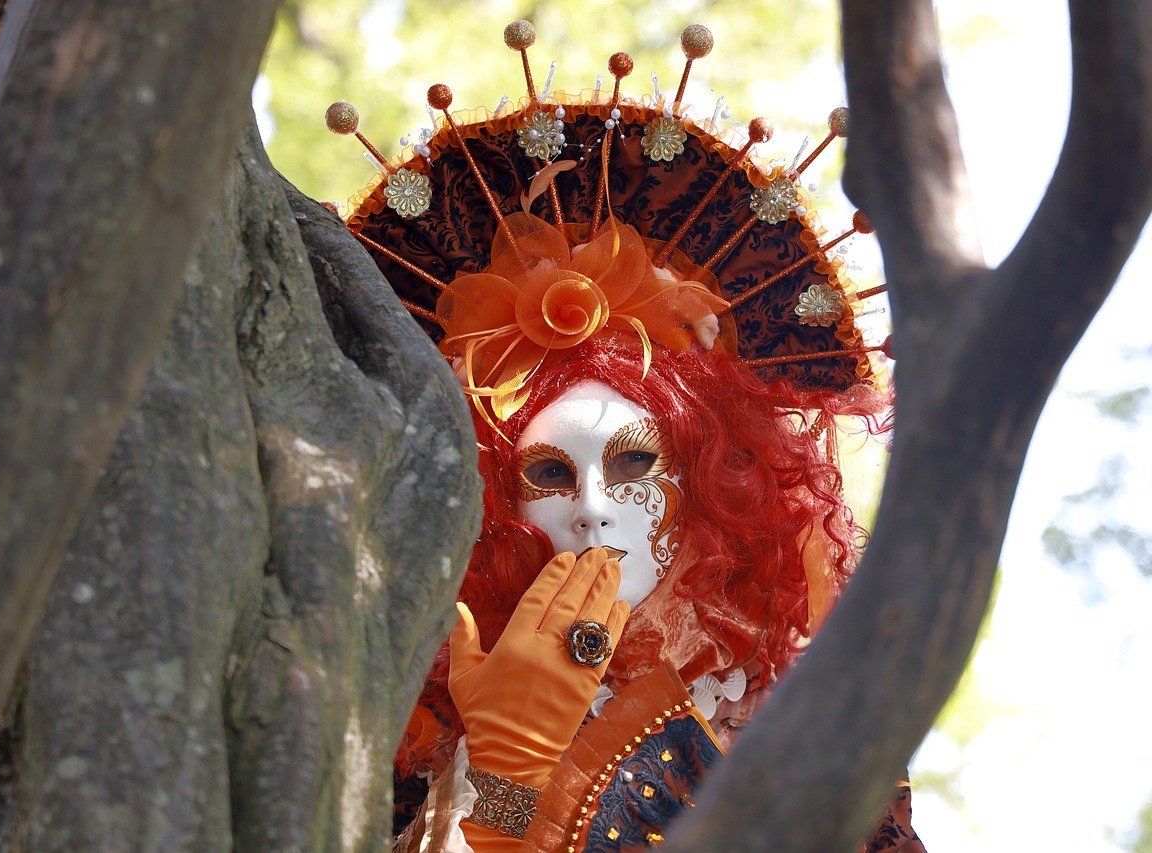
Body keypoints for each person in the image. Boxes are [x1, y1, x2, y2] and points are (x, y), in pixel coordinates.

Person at [324, 20, 918, 851]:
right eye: (548, 473)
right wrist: (503, 773)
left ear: (713, 481)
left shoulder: (815, 752)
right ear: (493, 508)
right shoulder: (401, 749)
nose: (593, 508)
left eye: (636, 460)